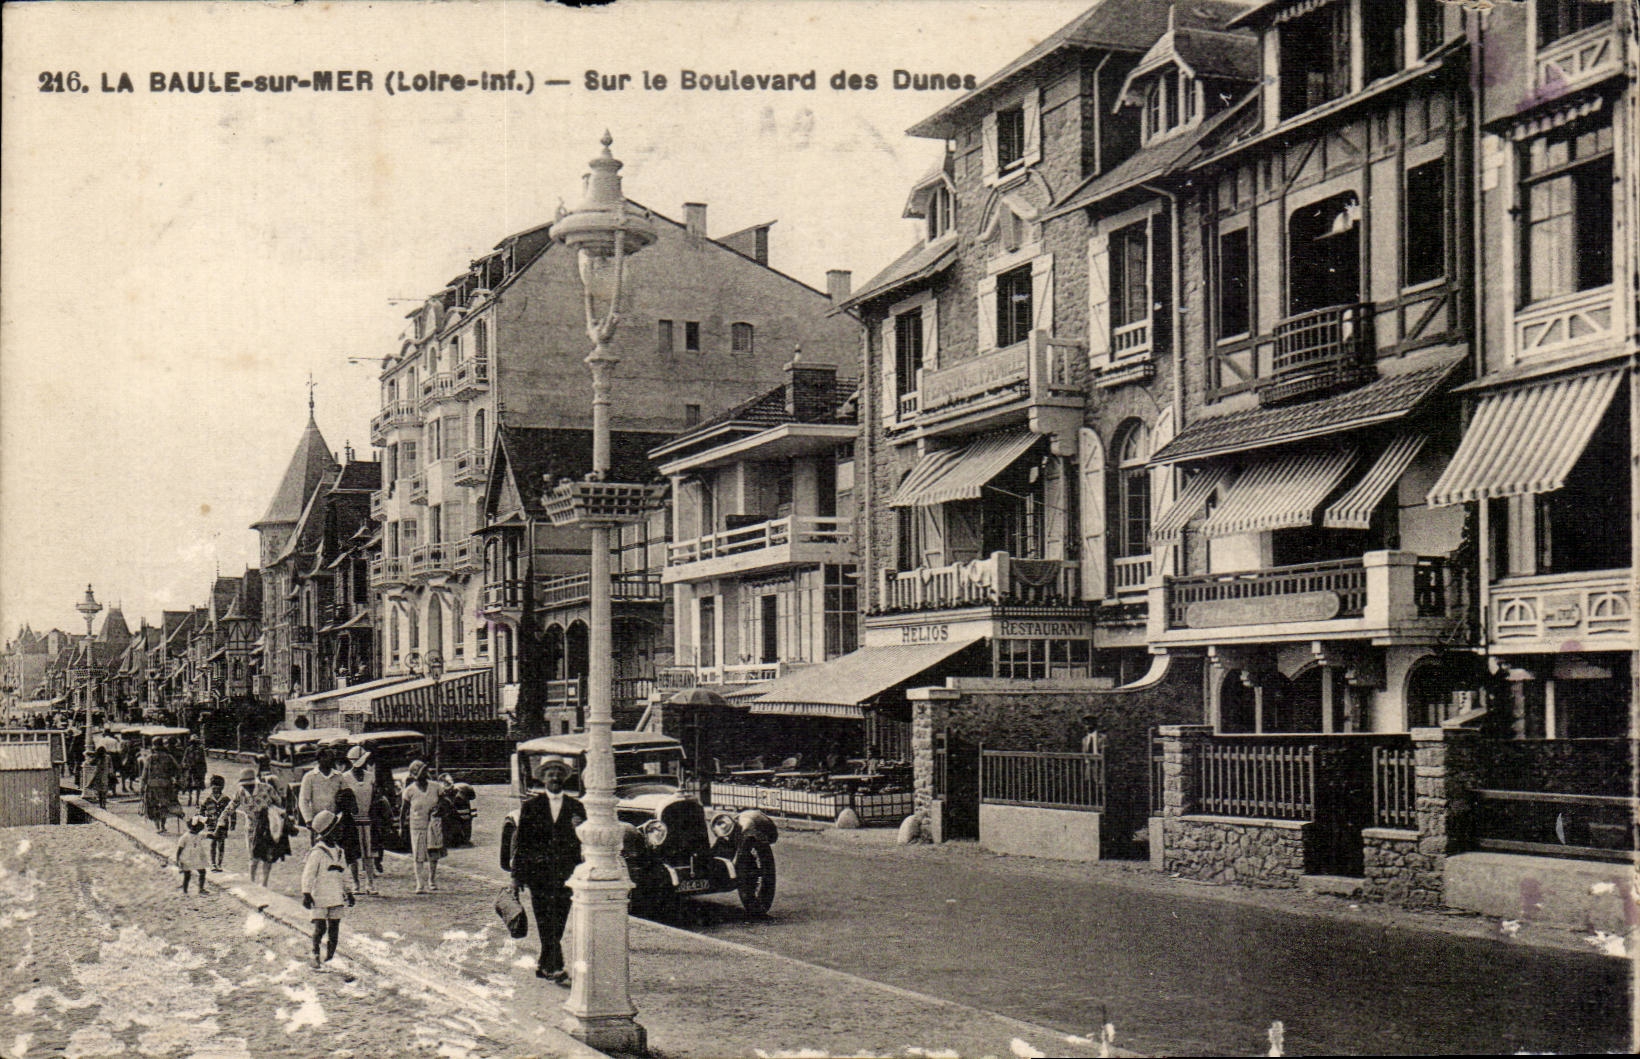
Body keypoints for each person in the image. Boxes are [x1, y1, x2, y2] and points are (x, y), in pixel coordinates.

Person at [508, 759, 584, 984]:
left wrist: (578, 828)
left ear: (565, 778)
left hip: (566, 873)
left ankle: (544, 964)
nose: (555, 778)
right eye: (550, 774)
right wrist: (516, 877)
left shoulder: (576, 807)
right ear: (543, 778)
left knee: (559, 919)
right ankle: (555, 967)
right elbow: (521, 842)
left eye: (559, 774)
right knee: (544, 919)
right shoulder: (532, 806)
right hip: (538, 874)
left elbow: (584, 839)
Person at [300, 809, 355, 970]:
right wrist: (306, 893)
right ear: (328, 832)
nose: (340, 831)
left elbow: (344, 873)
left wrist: (349, 891)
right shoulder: (317, 853)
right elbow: (308, 874)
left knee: (334, 928)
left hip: (336, 895)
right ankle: (315, 952)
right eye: (337, 829)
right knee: (320, 927)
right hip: (321, 896)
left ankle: (330, 957)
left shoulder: (339, 851)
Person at [230, 765, 290, 887]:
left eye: (250, 784)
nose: (248, 787)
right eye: (246, 785)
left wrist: (273, 814)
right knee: (253, 856)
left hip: (268, 827)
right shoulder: (240, 793)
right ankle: (251, 881)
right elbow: (231, 807)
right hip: (251, 828)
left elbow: (278, 802)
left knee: (268, 855)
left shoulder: (267, 789)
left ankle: (264, 883)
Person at [399, 760, 444, 894]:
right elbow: (403, 811)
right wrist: (401, 828)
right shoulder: (410, 790)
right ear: (414, 775)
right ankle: (420, 883)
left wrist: (439, 808)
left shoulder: (436, 787)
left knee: (433, 854)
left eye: (425, 771)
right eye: (420, 773)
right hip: (417, 826)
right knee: (418, 855)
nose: (424, 774)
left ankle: (432, 879)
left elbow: (444, 800)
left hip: (433, 824)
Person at [339, 747, 378, 894]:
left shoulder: (370, 777)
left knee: (368, 853)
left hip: (367, 819)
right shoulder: (345, 778)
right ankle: (356, 883)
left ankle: (370, 883)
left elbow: (374, 797)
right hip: (352, 821)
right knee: (353, 852)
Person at [298, 746, 345, 839]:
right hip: (317, 821)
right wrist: (308, 820)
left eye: (332, 757)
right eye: (328, 756)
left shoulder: (339, 776)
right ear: (320, 758)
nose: (332, 759)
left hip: (334, 821)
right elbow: (303, 800)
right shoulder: (309, 777)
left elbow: (346, 793)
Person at [141, 738, 183, 834]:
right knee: (164, 805)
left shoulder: (149, 758)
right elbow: (178, 769)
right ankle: (163, 826)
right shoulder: (169, 757)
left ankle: (157, 827)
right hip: (166, 785)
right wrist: (174, 778)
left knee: (153, 805)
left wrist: (142, 787)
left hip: (152, 785)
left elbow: (144, 774)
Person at [333, 785, 366, 895]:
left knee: (349, 856)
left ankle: (354, 883)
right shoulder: (342, 793)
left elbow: (354, 810)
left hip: (344, 826)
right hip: (343, 825)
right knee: (347, 857)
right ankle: (353, 883)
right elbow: (354, 810)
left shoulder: (345, 793)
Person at [198, 774, 233, 872]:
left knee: (221, 844)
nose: (215, 790)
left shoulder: (226, 799)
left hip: (223, 825)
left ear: (222, 788)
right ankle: (213, 863)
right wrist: (204, 820)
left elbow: (232, 811)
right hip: (211, 824)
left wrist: (233, 823)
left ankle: (219, 863)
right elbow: (201, 811)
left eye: (218, 788)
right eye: (213, 788)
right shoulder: (207, 799)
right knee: (213, 843)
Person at [176, 815, 210, 894]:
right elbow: (179, 850)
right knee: (187, 875)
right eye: (200, 828)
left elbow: (207, 835)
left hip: (197, 857)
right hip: (187, 858)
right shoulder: (185, 837)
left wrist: (215, 835)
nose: (201, 829)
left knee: (202, 872)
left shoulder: (199, 835)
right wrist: (178, 860)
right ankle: (185, 890)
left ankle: (201, 889)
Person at [180, 737, 207, 806]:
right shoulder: (188, 749)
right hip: (190, 769)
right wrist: (185, 765)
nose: (194, 744)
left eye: (196, 743)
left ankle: (197, 800)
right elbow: (184, 759)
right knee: (189, 785)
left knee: (198, 785)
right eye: (193, 742)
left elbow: (203, 760)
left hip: (198, 769)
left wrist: (204, 769)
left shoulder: (200, 750)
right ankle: (190, 798)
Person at [87, 744, 112, 810]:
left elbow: (110, 765)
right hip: (99, 775)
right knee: (101, 791)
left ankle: (103, 805)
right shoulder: (99, 758)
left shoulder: (107, 757)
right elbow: (91, 763)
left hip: (103, 775)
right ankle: (102, 804)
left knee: (103, 791)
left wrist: (111, 772)